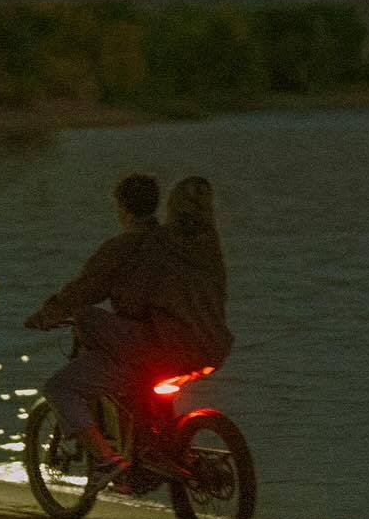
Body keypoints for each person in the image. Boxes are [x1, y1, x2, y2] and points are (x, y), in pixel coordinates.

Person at [24, 172, 233, 491]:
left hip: (162, 346)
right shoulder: (197, 246)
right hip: (209, 347)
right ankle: (154, 445)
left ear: (122, 207)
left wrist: (46, 315)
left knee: (62, 382)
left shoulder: (128, 246)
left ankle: (106, 460)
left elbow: (86, 289)